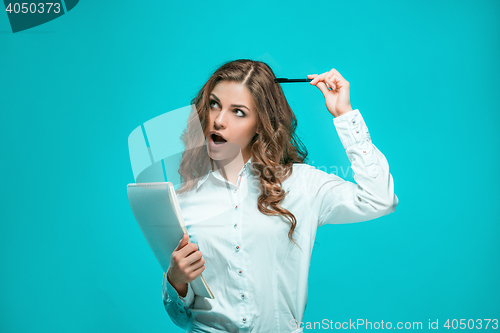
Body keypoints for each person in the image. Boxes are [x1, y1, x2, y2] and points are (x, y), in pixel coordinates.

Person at [161, 59, 398, 332]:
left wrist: (344, 115)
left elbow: (380, 199)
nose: (219, 120)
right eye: (214, 104)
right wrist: (175, 281)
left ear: (260, 124)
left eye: (238, 111)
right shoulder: (184, 200)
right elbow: (182, 319)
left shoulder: (302, 185)